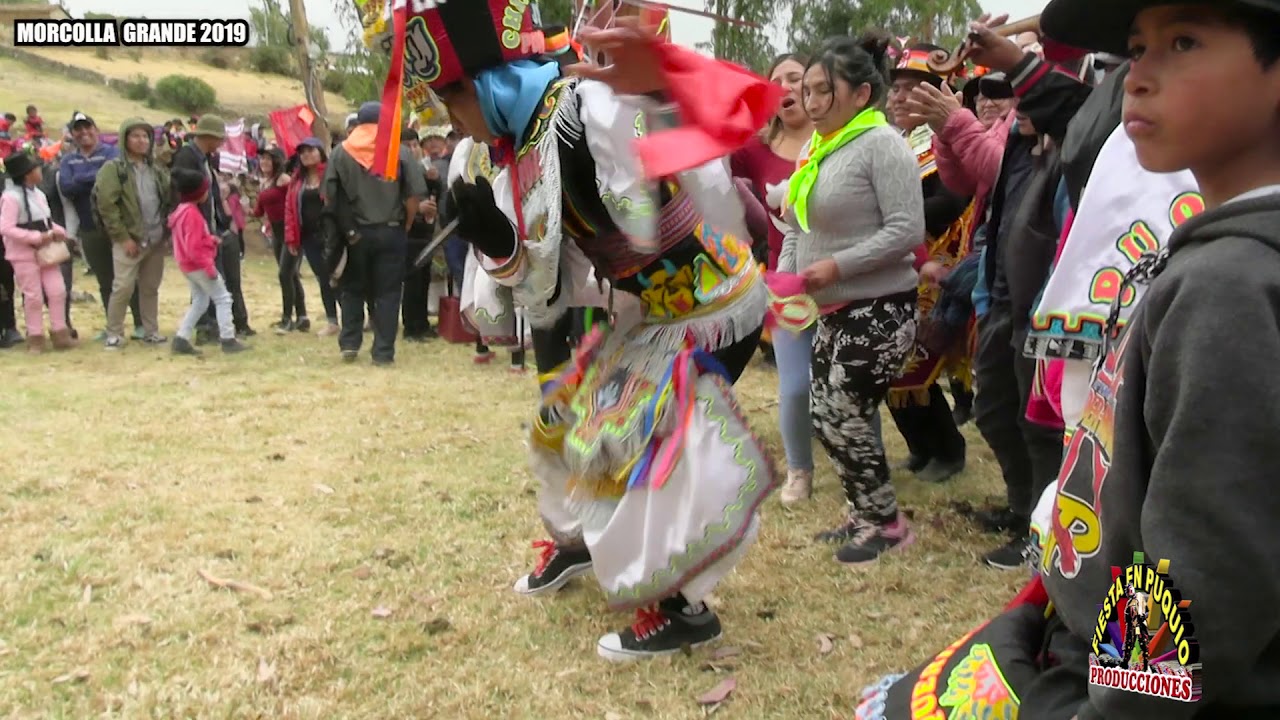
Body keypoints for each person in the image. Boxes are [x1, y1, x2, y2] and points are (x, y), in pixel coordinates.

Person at [389, 0, 778, 657]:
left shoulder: (586, 108)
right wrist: (495, 238)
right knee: (568, 430)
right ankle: (576, 543)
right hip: (652, 311)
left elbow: (679, 166)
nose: (448, 118)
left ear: (487, 85)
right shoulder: (517, 146)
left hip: (713, 305)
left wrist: (651, 87)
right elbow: (544, 290)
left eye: (451, 99)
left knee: (649, 448)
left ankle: (684, 609)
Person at [778, 34, 923, 564]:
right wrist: (787, 280)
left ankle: (886, 524)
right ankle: (864, 512)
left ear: (861, 94)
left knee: (846, 409)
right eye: (809, 91)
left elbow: (907, 230)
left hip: (881, 306)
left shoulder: (882, 144)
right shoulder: (820, 150)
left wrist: (837, 266)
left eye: (824, 91)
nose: (812, 102)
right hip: (831, 309)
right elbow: (797, 224)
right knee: (825, 414)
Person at [880, 44, 973, 484]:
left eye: (910, 89)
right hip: (895, 262)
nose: (898, 97)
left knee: (915, 363)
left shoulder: (944, 140)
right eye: (895, 88)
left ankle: (948, 450)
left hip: (934, 264)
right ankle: (920, 447)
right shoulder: (892, 141)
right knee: (890, 361)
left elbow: (950, 202)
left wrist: (891, 216)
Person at [730, 52, 817, 504]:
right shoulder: (756, 150)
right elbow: (711, 159)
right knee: (796, 385)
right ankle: (799, 471)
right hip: (787, 284)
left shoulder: (836, 140)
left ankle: (860, 470)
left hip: (843, 278)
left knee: (844, 387)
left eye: (795, 77)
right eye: (776, 80)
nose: (786, 87)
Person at [324, 102, 428, 365]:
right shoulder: (400, 151)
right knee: (388, 293)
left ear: (359, 122)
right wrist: (406, 223)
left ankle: (350, 342)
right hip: (391, 230)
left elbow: (330, 196)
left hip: (354, 234)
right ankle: (383, 352)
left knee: (352, 288)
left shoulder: (340, 152)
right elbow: (414, 195)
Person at [58, 111, 142, 339]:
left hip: (118, 226)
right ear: (72, 134)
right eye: (78, 129)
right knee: (105, 280)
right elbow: (66, 187)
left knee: (128, 277)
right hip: (89, 228)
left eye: (88, 127)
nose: (84, 132)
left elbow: (112, 181)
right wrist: (95, 178)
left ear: (96, 130)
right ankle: (113, 326)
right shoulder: (67, 160)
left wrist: (82, 179)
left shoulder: (112, 153)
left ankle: (141, 323)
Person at [94, 118, 171, 349]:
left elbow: (166, 200)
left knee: (150, 287)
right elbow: (107, 206)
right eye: (135, 136)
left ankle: (151, 331)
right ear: (124, 139)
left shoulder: (156, 170)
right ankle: (114, 332)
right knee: (123, 287)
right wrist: (123, 238)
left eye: (145, 136)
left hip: (155, 238)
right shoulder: (113, 169)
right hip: (129, 240)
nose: (141, 141)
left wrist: (166, 234)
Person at [169, 169, 251, 356]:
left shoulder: (180, 211)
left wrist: (210, 240)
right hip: (199, 265)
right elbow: (194, 246)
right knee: (223, 298)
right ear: (198, 193)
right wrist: (209, 267)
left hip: (187, 265)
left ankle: (181, 338)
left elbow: (189, 241)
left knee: (200, 301)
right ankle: (228, 339)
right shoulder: (192, 214)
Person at [0, 151, 74, 352]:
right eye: (36, 169)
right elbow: (6, 228)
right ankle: (35, 335)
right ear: (26, 175)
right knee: (33, 296)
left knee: (57, 290)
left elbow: (45, 221)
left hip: (47, 251)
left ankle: (60, 331)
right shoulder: (10, 198)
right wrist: (36, 237)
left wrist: (58, 231)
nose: (40, 171)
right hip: (23, 254)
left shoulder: (39, 194)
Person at [284, 137, 340, 337]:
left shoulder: (331, 174)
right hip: (309, 236)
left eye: (311, 150)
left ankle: (359, 316)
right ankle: (332, 321)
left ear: (320, 152)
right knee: (323, 278)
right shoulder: (297, 180)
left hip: (333, 235)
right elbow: (290, 210)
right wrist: (291, 238)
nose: (306, 155)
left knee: (341, 277)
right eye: (303, 152)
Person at [255, 147, 307, 333]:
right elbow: (259, 211)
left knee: (284, 274)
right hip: (276, 232)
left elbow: (296, 201)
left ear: (277, 161)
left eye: (268, 159)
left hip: (290, 230)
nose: (264, 162)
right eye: (262, 159)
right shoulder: (264, 182)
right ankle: (302, 317)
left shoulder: (284, 180)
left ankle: (287, 319)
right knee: (290, 274)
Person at [400, 128, 443, 342]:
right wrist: (417, 208)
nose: (412, 149)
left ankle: (422, 323)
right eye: (407, 146)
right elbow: (394, 200)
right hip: (408, 231)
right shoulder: (397, 170)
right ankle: (411, 327)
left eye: (415, 145)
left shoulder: (423, 168)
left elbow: (436, 195)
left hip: (426, 232)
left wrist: (435, 181)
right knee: (412, 282)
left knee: (424, 280)